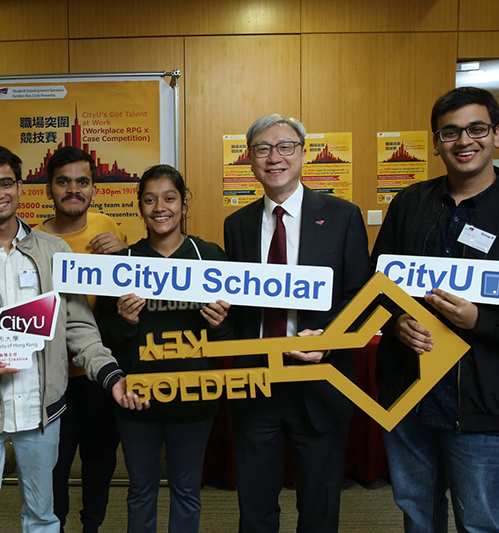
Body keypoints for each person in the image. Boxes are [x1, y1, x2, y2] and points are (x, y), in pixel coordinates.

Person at [0, 143, 146, 533]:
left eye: (5, 183)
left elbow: (79, 328)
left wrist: (112, 376)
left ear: (20, 187)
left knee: (42, 516)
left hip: (41, 414)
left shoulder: (54, 251)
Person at [372, 87, 499, 533]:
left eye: (476, 129)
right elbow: (377, 289)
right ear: (436, 143)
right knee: (417, 517)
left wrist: (480, 320)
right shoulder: (409, 203)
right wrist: (396, 321)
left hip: (484, 405)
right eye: (450, 132)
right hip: (409, 397)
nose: (464, 140)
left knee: (480, 523)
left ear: (496, 136)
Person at [223, 114, 370, 533]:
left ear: (303, 154)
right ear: (250, 159)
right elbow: (239, 304)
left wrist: (330, 337)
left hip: (319, 382)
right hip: (256, 382)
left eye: (285, 147)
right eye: (262, 149)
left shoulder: (342, 216)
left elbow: (360, 296)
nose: (275, 158)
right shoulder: (238, 225)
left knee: (319, 510)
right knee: (255, 509)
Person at [97, 164, 231, 533]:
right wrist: (125, 322)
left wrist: (219, 325)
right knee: (141, 490)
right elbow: (103, 336)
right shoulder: (122, 263)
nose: (160, 207)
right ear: (140, 207)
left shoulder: (211, 257)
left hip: (194, 394)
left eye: (169, 198)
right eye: (150, 200)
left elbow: (234, 335)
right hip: (136, 396)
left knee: (186, 490)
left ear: (184, 204)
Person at [35, 146, 127, 533]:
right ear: (49, 189)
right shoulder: (33, 239)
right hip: (50, 375)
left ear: (93, 189)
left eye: (82, 182)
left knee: (100, 460)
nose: (73, 189)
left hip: (99, 372)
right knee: (52, 464)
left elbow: (131, 288)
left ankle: (92, 526)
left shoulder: (109, 228)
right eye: (63, 182)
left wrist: (124, 253)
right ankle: (54, 525)